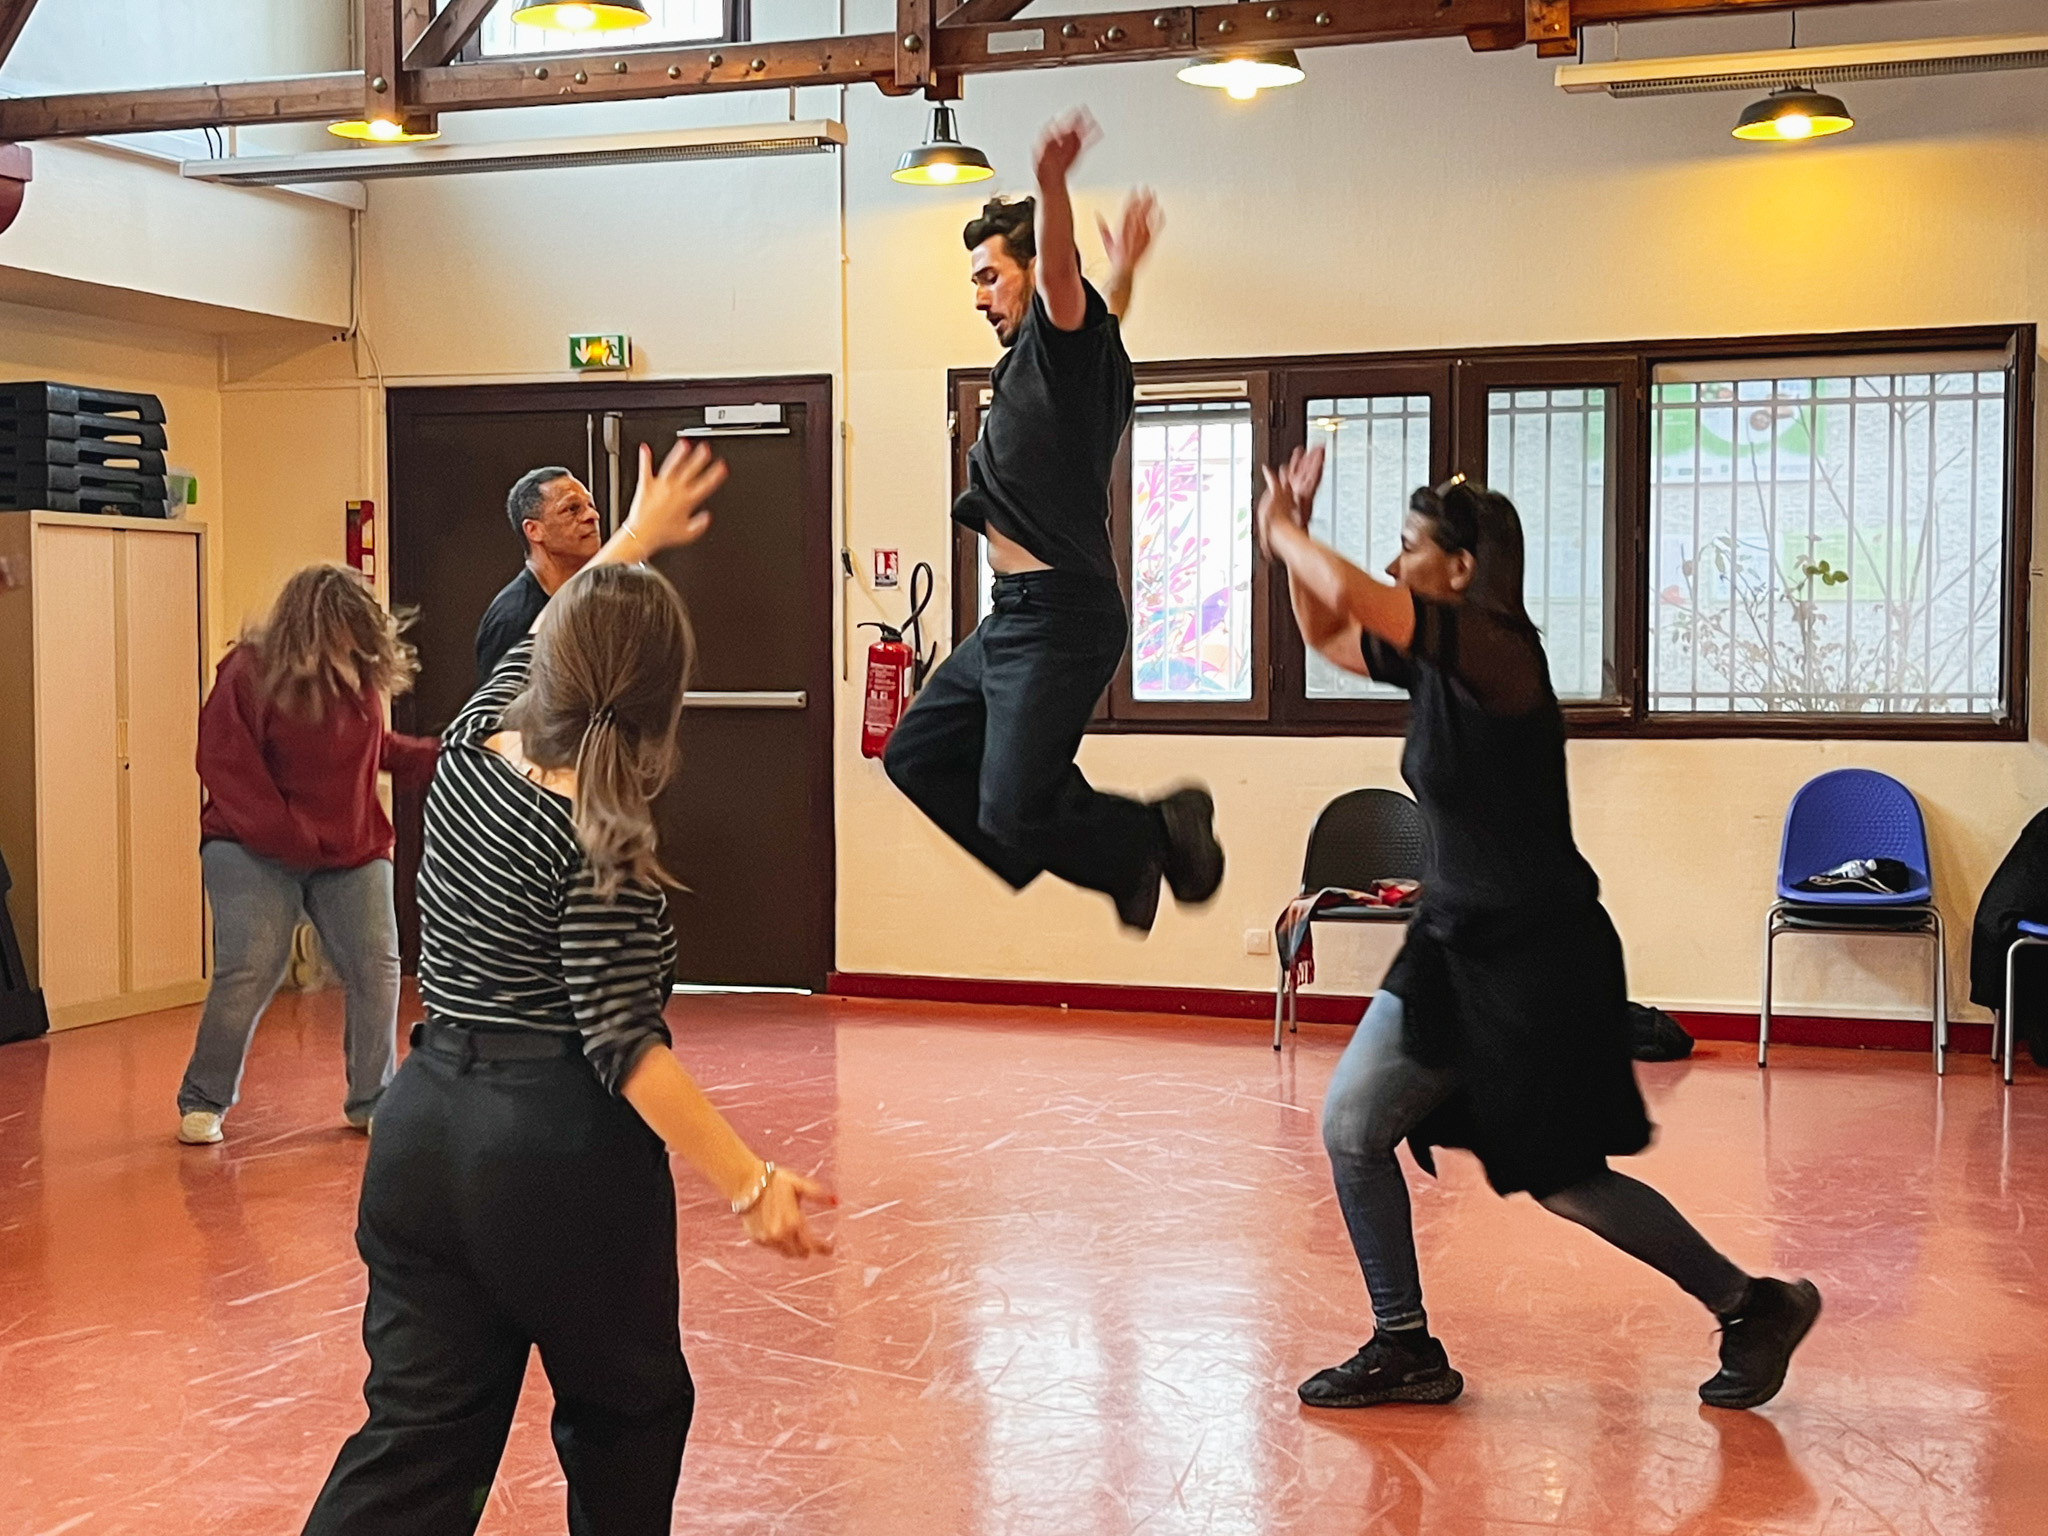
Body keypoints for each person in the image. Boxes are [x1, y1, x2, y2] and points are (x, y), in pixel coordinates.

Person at [302, 438, 832, 1536]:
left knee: (416, 1442)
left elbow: (551, 631)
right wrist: (748, 1183)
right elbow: (622, 1041)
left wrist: (634, 537)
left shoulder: (470, 737)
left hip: (421, 1128)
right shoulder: (603, 832)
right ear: (659, 700)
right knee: (626, 1418)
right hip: (551, 1156)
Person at [1256, 453, 1822, 1412]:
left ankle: (1752, 1304)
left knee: (1564, 1182)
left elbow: (1355, 594)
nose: (1393, 566)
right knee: (1352, 1127)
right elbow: (1328, 631)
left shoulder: (1501, 654)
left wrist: (1285, 532)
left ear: (1462, 567)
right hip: (1448, 945)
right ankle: (1405, 1345)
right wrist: (1290, 540)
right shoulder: (1434, 660)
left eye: (1408, 548)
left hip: (1538, 959)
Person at [883, 110, 1224, 934]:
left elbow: (1065, 282)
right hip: (1012, 617)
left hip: (1060, 616)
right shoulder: (1061, 361)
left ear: (1034, 275)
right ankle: (1097, 842)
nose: (978, 297)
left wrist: (1052, 184)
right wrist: (1127, 267)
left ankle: (1150, 834)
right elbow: (1105, 306)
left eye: (989, 276)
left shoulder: (1060, 342)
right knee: (914, 756)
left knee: (1010, 809)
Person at [176, 566, 438, 1145]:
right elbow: (226, 764)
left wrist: (434, 757)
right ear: (311, 624)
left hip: (350, 847)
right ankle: (204, 1098)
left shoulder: (357, 673)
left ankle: (372, 1100)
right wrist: (293, 836)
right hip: (250, 846)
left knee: (377, 967)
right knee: (250, 967)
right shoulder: (247, 671)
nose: (355, 642)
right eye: (345, 628)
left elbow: (368, 748)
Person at [474, 465, 602, 684]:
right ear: (534, 530)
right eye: (572, 509)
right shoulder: (512, 619)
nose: (593, 515)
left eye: (590, 505)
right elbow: (503, 704)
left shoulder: (596, 597)